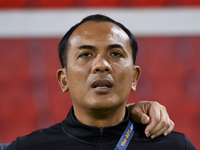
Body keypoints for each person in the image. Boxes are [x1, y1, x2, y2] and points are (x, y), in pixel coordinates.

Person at [6, 14, 195, 150]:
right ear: (64, 80)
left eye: (116, 54)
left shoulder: (175, 146)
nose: (101, 65)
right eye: (85, 54)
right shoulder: (29, 147)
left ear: (134, 77)